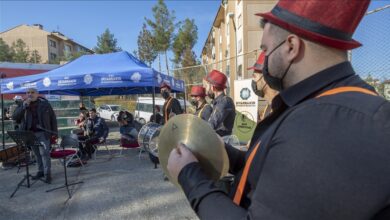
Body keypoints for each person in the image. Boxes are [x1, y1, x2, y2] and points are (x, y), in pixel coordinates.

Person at [166, 0, 390, 219]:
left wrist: (190, 176)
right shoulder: (322, 105)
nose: (263, 63)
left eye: (265, 49)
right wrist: (226, 154)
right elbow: (271, 170)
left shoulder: (322, 124)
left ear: (291, 47)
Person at [13, 88, 57, 184]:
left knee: (44, 154)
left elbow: (53, 118)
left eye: (32, 92)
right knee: (36, 154)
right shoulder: (23, 104)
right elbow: (15, 117)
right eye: (28, 93)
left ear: (37, 94)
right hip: (30, 134)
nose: (30, 94)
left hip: (43, 133)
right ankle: (40, 171)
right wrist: (24, 106)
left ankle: (47, 174)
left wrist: (54, 133)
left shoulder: (45, 104)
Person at [203, 70, 236, 137]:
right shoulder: (219, 102)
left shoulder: (224, 102)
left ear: (212, 87)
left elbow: (211, 125)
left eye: (206, 86)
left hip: (222, 143)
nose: (205, 89)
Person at [248, 52, 278, 121]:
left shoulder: (283, 111)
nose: (253, 81)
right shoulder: (270, 107)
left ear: (267, 77)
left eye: (254, 76)